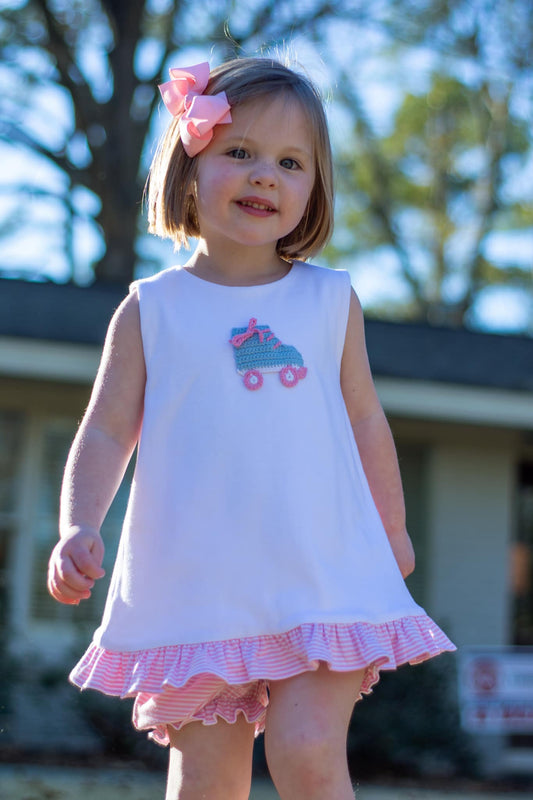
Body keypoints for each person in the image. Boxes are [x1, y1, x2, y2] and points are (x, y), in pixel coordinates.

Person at [48, 57, 455, 800]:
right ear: (188, 162)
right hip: (198, 582)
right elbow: (106, 431)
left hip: (320, 571)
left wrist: (389, 529)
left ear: (314, 187)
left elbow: (365, 419)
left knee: (305, 752)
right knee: (205, 778)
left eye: (290, 162)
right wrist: (79, 523)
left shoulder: (329, 301)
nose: (264, 175)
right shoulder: (151, 309)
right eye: (239, 151)